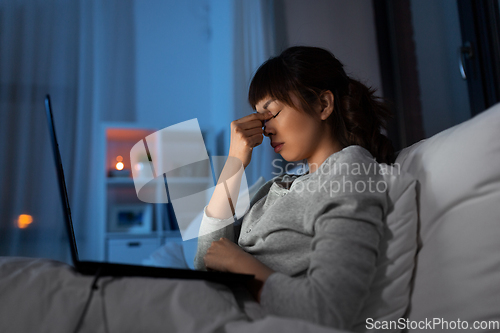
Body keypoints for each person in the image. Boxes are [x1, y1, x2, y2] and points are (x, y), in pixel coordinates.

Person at [194, 46, 394, 330]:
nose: (265, 129)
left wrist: (240, 265)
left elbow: (328, 310)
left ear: (324, 105)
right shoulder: (286, 181)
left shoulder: (350, 172)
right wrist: (235, 162)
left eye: (272, 113)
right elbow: (206, 261)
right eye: (259, 119)